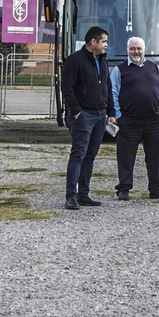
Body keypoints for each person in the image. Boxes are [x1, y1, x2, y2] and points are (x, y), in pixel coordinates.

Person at [109, 36, 159, 201]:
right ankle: (124, 189)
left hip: (154, 120)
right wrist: (118, 115)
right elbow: (113, 93)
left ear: (145, 50)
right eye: (132, 49)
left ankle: (155, 188)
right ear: (127, 50)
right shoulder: (119, 70)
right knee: (126, 156)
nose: (136, 52)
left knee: (155, 155)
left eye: (139, 49)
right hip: (129, 121)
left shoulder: (154, 68)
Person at [60, 25, 111, 210]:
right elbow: (67, 89)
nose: (106, 45)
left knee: (90, 155)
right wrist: (77, 112)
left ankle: (83, 194)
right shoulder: (75, 60)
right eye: (104, 41)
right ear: (93, 42)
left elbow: (107, 87)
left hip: (100, 115)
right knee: (78, 154)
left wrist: (110, 112)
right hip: (83, 115)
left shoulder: (102, 61)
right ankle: (71, 196)